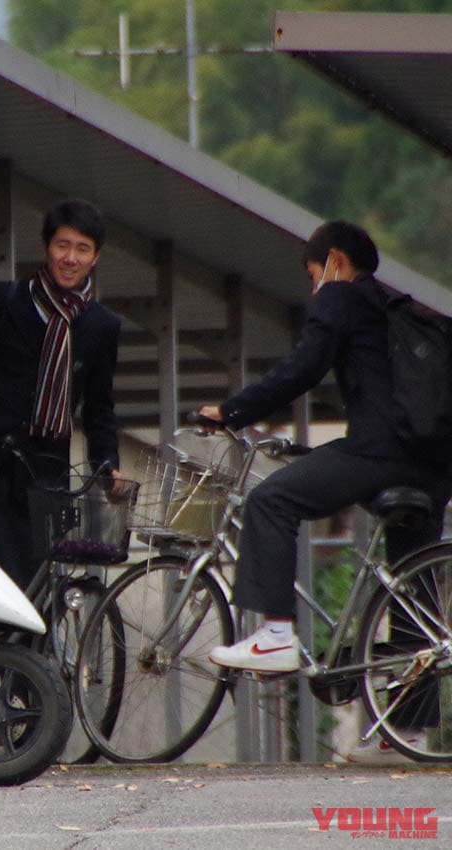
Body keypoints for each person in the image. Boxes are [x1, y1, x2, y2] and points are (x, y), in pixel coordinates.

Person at [200, 220, 450, 763]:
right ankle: (405, 734)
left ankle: (276, 632)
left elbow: (302, 370)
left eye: (314, 274)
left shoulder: (340, 296)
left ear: (333, 261)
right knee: (412, 590)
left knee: (271, 500)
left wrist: (232, 411)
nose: (316, 285)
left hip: (377, 453)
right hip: (431, 463)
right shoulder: (396, 308)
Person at [0, 198, 126, 592]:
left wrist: (107, 461)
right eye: (62, 246)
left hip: (39, 484)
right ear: (47, 248)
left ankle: (11, 658)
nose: (70, 258)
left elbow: (99, 404)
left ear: (95, 257)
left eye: (82, 249)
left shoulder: (102, 326)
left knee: (23, 596)